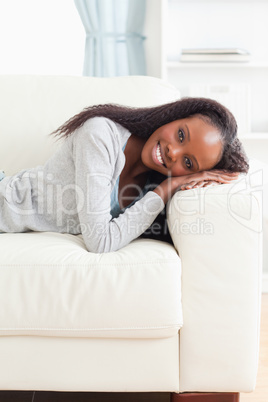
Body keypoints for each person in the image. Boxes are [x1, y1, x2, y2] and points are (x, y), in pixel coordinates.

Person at [0, 97, 248, 253]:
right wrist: (164, 191)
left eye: (188, 162)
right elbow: (100, 243)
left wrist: (168, 188)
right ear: (173, 117)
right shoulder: (100, 135)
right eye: (181, 135)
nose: (174, 151)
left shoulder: (152, 184)